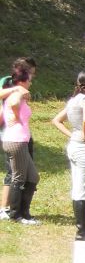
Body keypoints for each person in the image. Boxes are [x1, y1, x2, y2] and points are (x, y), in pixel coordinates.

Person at [51, 69, 85, 240]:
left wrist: (72, 134)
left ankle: (82, 228)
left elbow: (56, 120)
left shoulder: (73, 99)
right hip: (83, 146)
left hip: (74, 143)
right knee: (83, 187)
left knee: (78, 185)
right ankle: (82, 230)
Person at [1, 60, 39, 224]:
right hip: (15, 140)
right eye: (29, 79)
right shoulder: (17, 93)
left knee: (33, 177)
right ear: (23, 81)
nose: (31, 82)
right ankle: (16, 215)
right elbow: (14, 102)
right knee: (18, 177)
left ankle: (24, 212)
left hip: (20, 140)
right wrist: (16, 116)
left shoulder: (20, 93)